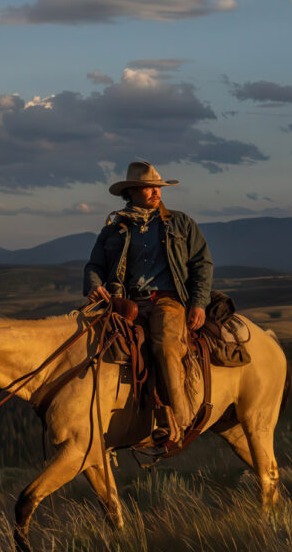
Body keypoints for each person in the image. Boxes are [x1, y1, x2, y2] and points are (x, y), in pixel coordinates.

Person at [84, 161, 213, 444]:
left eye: (157, 187)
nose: (156, 192)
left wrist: (199, 303)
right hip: (127, 303)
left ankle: (180, 421)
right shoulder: (114, 229)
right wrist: (95, 286)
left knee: (166, 346)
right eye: (148, 188)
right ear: (131, 192)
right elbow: (94, 265)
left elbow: (202, 263)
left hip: (167, 300)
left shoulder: (180, 223)